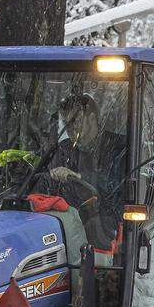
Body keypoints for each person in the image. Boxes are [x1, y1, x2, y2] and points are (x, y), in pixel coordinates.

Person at [38, 93, 128, 252]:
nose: (72, 129)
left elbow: (117, 185)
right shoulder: (63, 150)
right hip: (68, 228)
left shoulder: (119, 148)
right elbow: (47, 187)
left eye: (76, 121)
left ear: (92, 119)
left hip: (109, 227)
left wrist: (79, 177)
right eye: (67, 123)